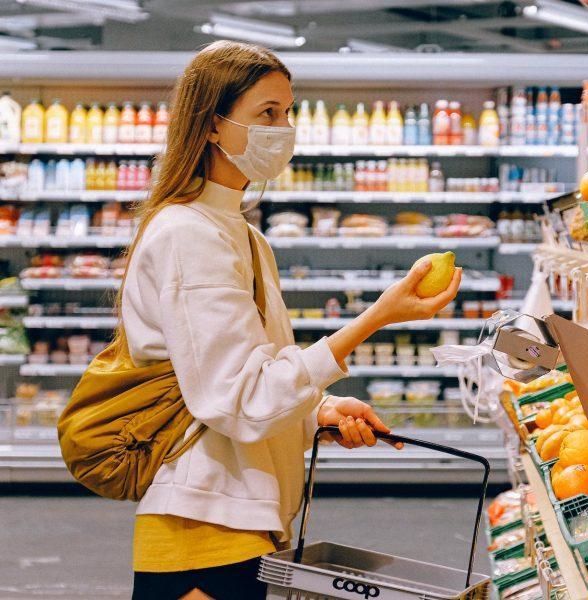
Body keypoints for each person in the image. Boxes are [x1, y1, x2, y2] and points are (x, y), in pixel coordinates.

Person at [122, 41, 462, 599]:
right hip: (203, 527)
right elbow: (239, 398)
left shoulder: (243, 235)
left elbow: (246, 381)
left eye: (289, 111)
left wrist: (315, 411)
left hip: (242, 520)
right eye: (267, 114)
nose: (285, 128)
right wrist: (375, 318)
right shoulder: (188, 235)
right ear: (212, 125)